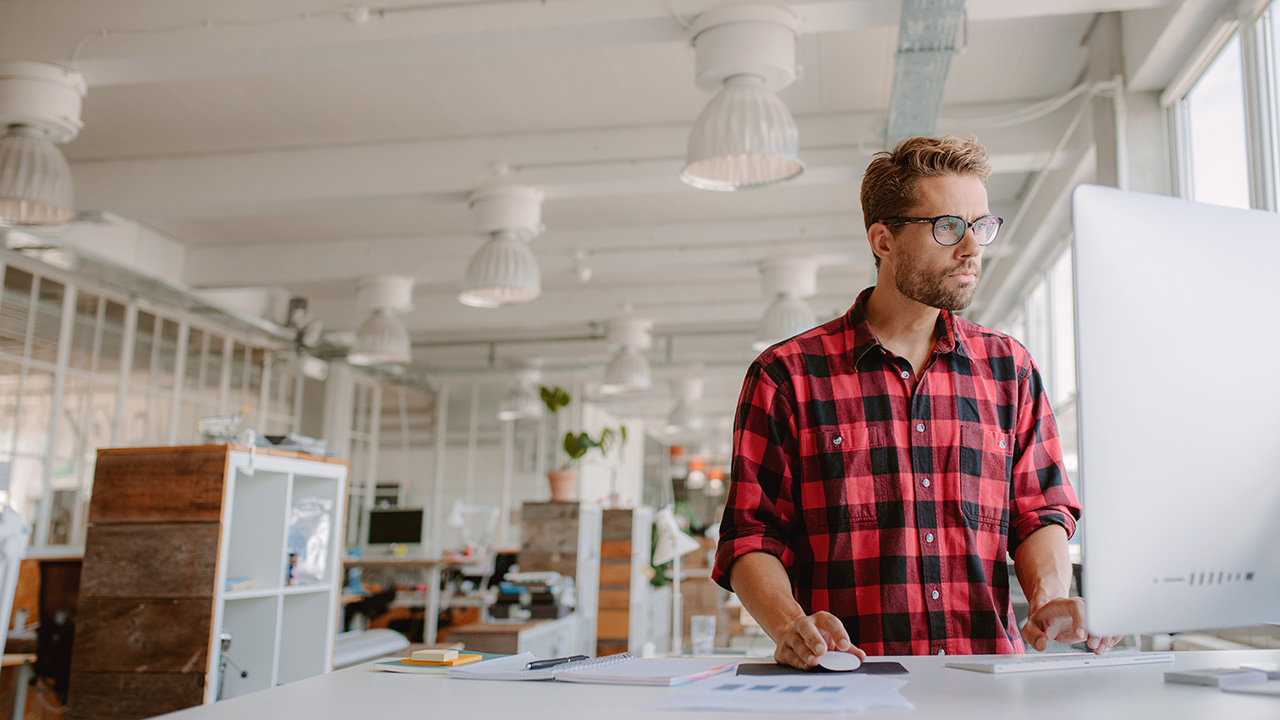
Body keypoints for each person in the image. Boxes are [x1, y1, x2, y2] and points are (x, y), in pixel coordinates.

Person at [712, 135, 1121, 669]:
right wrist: (792, 626)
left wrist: (1048, 599)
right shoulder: (787, 375)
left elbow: (1039, 509)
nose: (972, 247)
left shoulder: (1009, 369)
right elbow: (752, 534)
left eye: (981, 226)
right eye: (948, 226)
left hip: (985, 686)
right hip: (848, 687)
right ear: (883, 240)